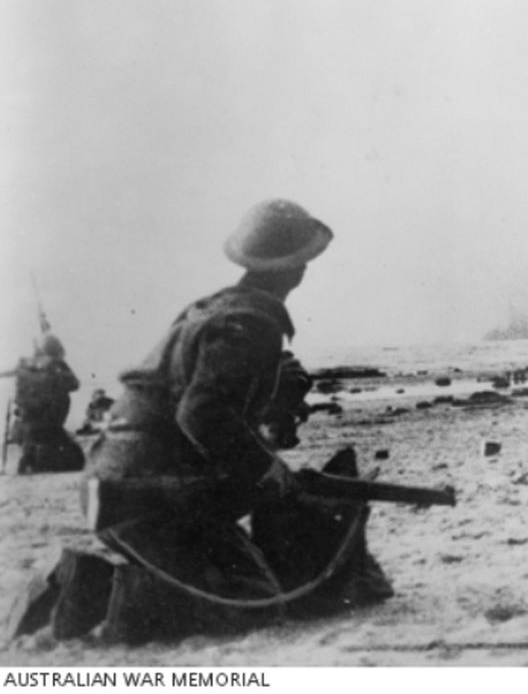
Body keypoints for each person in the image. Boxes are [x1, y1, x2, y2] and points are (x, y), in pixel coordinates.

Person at [5, 199, 392, 645]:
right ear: (297, 268)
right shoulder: (252, 322)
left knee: (242, 581)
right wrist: (267, 468)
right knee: (251, 601)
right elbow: (202, 413)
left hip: (118, 481)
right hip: (152, 496)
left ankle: (84, 584)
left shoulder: (214, 309)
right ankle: (90, 588)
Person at [1, 333, 84, 474]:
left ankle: (29, 461)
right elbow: (74, 384)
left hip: (23, 424)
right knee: (74, 459)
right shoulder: (56, 364)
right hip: (50, 422)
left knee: (35, 443)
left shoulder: (23, 363)